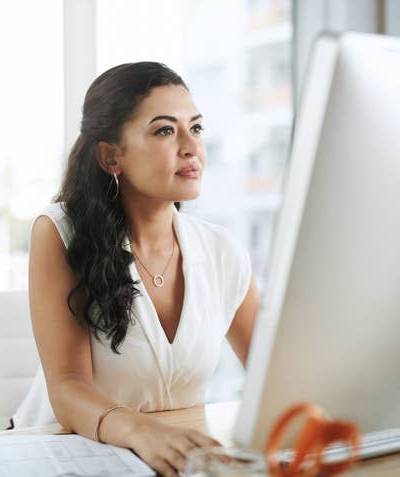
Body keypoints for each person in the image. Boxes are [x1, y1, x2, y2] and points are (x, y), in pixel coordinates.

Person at [13, 62, 260, 476]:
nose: (190, 147)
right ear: (112, 156)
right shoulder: (59, 232)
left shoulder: (222, 251)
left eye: (195, 128)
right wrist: (142, 431)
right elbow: (68, 387)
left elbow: (274, 369)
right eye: (165, 130)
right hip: (58, 456)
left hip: (171, 461)